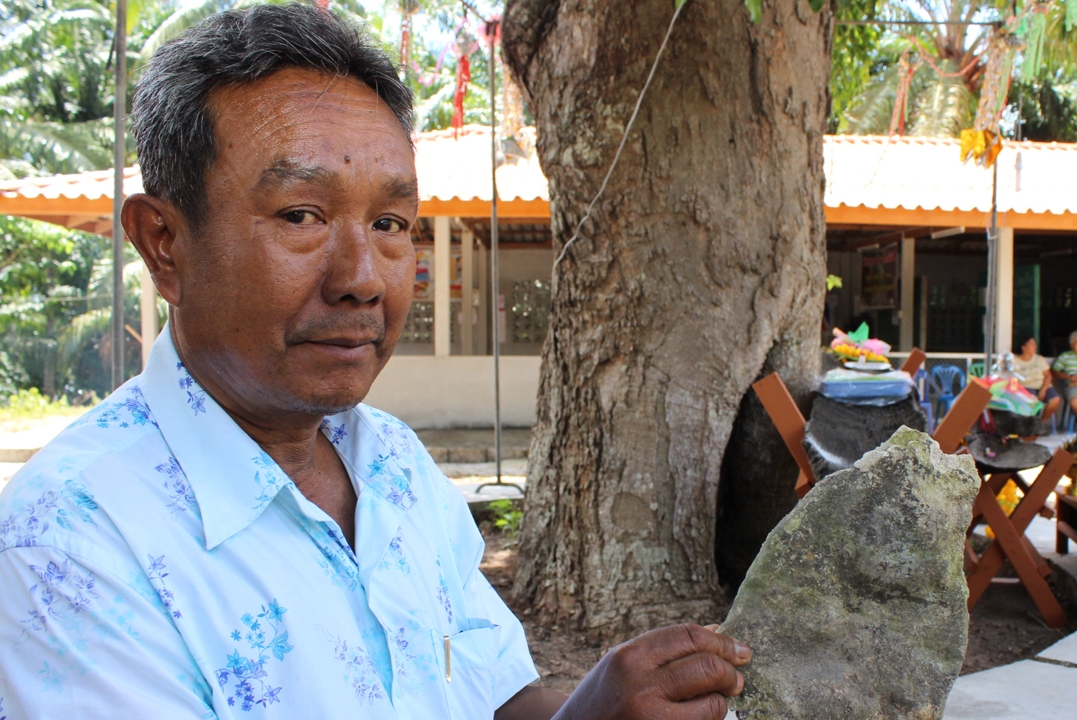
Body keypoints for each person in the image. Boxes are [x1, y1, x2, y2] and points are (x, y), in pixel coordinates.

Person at [0, 6, 750, 719]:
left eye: (391, 223)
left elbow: (495, 700)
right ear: (164, 243)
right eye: (301, 215)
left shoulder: (393, 464)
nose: (363, 276)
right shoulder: (67, 547)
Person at [1010, 335, 1061, 430]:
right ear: (1024, 347)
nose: (1035, 347)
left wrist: (1043, 389)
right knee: (1032, 401)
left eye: (1035, 344)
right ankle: (1030, 427)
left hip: (1043, 386)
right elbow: (1011, 379)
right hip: (1025, 388)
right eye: (1032, 344)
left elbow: (1048, 375)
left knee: (1055, 399)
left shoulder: (1039, 359)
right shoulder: (1015, 361)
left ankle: (1041, 423)